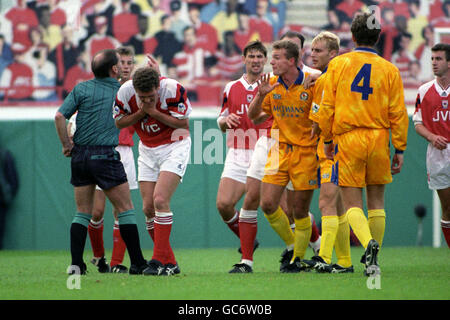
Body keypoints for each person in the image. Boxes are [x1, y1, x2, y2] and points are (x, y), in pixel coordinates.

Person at [318, 12, 409, 276]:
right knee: (377, 202)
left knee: (351, 202)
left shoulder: (338, 64)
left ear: (353, 36)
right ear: (378, 36)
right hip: (379, 137)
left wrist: (326, 140)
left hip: (349, 137)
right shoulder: (390, 69)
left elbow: (326, 107)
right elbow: (398, 113)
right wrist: (400, 148)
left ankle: (367, 243)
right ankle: (374, 261)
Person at [55, 48, 149, 275]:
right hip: (105, 155)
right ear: (114, 69)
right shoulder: (120, 91)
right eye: (120, 63)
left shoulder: (81, 88)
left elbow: (59, 116)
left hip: (80, 156)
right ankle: (137, 262)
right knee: (126, 209)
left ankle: (76, 264)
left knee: (82, 212)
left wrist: (67, 145)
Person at [248, 40, 318, 273]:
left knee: (299, 211)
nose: (271, 62)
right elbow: (254, 117)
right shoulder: (272, 84)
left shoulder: (313, 82)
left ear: (291, 61)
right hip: (278, 151)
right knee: (267, 204)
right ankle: (292, 246)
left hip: (306, 153)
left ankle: (297, 258)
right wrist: (260, 95)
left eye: (276, 57)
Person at [114, 66, 192, 276]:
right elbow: (119, 122)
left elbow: (184, 125)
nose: (147, 100)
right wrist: (141, 112)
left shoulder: (173, 89)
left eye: (151, 96)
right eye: (142, 97)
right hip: (147, 149)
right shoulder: (125, 92)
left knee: (160, 200)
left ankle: (157, 260)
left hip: (175, 146)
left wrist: (154, 113)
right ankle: (171, 263)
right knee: (148, 208)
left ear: (158, 86)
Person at [72, 46, 137, 274]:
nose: (126, 66)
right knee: (96, 212)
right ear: (114, 66)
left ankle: (118, 263)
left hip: (124, 152)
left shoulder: (132, 92)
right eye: (123, 62)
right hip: (101, 151)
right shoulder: (99, 90)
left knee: (121, 211)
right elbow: (78, 116)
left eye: (130, 62)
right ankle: (99, 257)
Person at [215, 41, 270, 272]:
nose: (256, 60)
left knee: (286, 209)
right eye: (252, 56)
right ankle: (249, 241)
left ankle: (315, 246)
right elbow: (221, 119)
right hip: (238, 151)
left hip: (267, 150)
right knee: (224, 204)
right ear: (244, 59)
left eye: (260, 56)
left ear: (265, 60)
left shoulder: (273, 85)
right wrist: (225, 122)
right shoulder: (231, 87)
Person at [302, 31, 354, 273]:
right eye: (312, 50)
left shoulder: (325, 80)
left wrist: (317, 130)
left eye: (318, 51)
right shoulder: (336, 77)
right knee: (340, 206)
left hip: (331, 148)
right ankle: (344, 261)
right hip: (345, 146)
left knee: (326, 203)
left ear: (333, 53)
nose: (313, 55)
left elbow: (320, 117)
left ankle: (323, 256)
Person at [413, 43, 450, 248]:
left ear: (449, 63)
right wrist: (432, 137)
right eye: (432, 59)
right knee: (447, 207)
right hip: (438, 155)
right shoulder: (424, 90)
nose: (434, 63)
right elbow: (418, 123)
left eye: (439, 59)